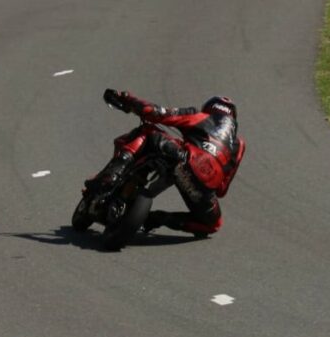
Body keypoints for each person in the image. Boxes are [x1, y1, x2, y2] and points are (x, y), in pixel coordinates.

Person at [85, 89, 245, 236]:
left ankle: (111, 175)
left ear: (209, 108)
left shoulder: (200, 116)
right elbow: (221, 190)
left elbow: (157, 113)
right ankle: (158, 218)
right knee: (213, 224)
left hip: (181, 158)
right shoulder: (239, 146)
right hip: (204, 187)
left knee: (148, 130)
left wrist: (128, 99)